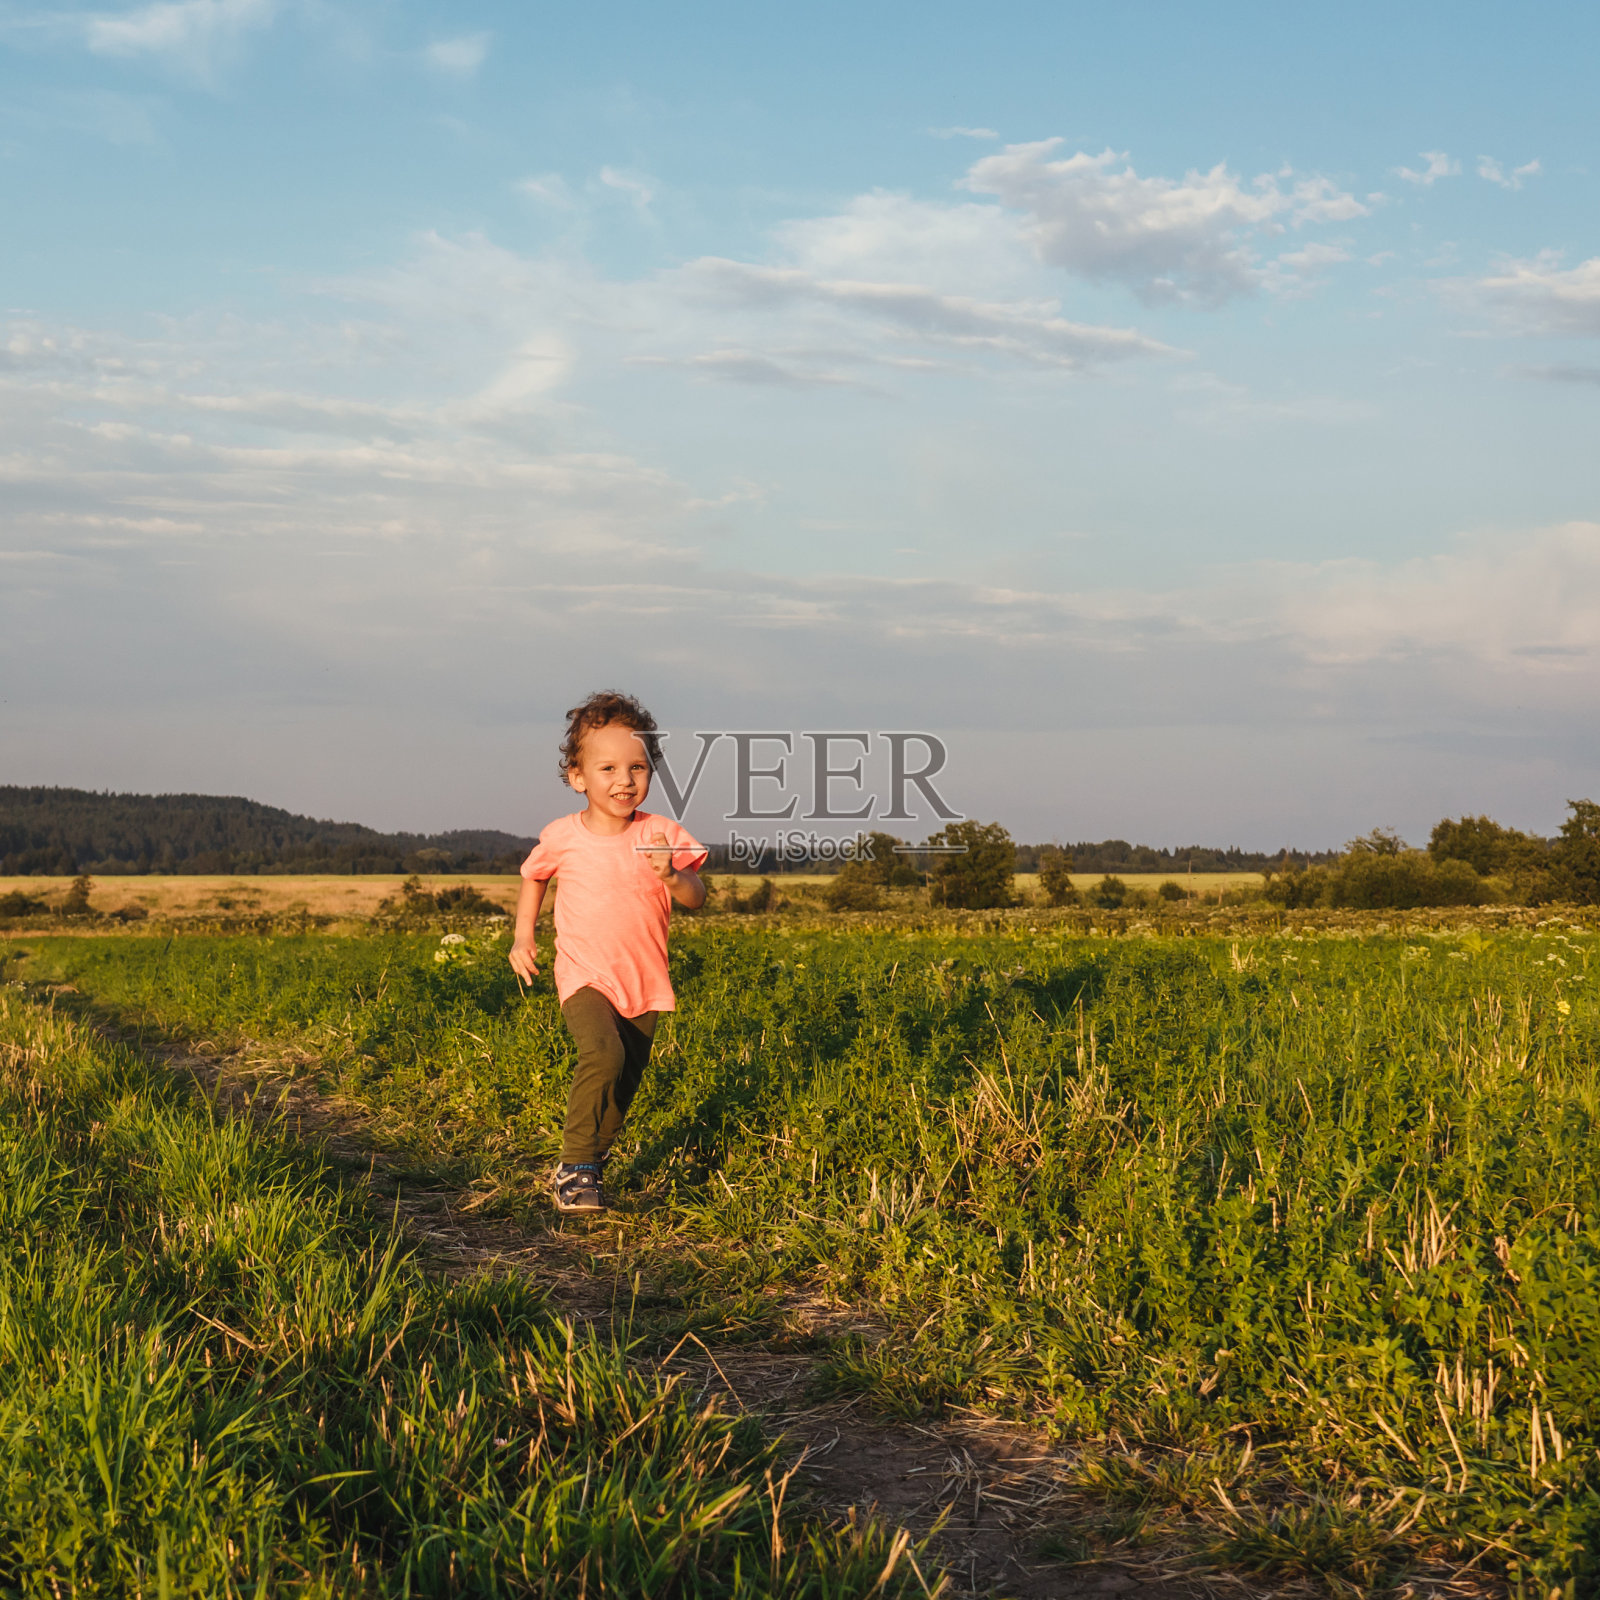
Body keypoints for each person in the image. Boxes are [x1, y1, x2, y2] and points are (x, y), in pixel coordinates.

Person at [510, 691, 706, 1213]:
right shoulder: (562, 837)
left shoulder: (661, 833)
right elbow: (534, 878)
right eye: (609, 768)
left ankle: (588, 1164)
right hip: (583, 974)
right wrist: (523, 937)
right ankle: (575, 1168)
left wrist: (671, 875)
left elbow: (697, 897)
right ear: (578, 777)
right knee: (603, 1054)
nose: (625, 779)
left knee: (626, 1082)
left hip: (643, 978)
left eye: (637, 767)